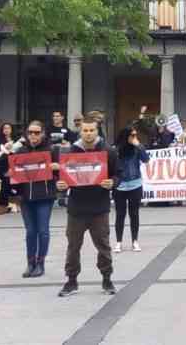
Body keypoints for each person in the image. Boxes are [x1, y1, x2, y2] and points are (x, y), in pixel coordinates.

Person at [57, 117, 120, 297]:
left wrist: (112, 182)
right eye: (85, 130)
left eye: (92, 130)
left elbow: (119, 174)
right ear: (80, 131)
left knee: (103, 246)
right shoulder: (70, 152)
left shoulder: (109, 151)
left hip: (99, 208)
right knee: (73, 246)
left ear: (97, 130)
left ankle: (107, 279)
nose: (88, 133)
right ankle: (71, 281)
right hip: (76, 208)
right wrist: (61, 185)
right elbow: (62, 178)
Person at [0, 121, 57, 277]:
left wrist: (56, 169)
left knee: (43, 231)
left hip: (44, 195)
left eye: (37, 132)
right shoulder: (20, 150)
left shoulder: (51, 150)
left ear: (43, 133)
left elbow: (62, 172)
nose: (33, 136)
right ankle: (30, 263)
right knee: (30, 232)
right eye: (30, 132)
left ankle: (40, 263)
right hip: (25, 196)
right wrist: (9, 152)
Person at [111, 126, 149, 253]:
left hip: (135, 185)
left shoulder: (137, 148)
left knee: (134, 214)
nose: (134, 137)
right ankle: (118, 242)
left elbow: (146, 159)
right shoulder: (115, 150)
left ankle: (135, 241)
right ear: (125, 136)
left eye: (135, 135)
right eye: (132, 135)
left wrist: (139, 145)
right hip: (120, 186)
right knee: (120, 214)